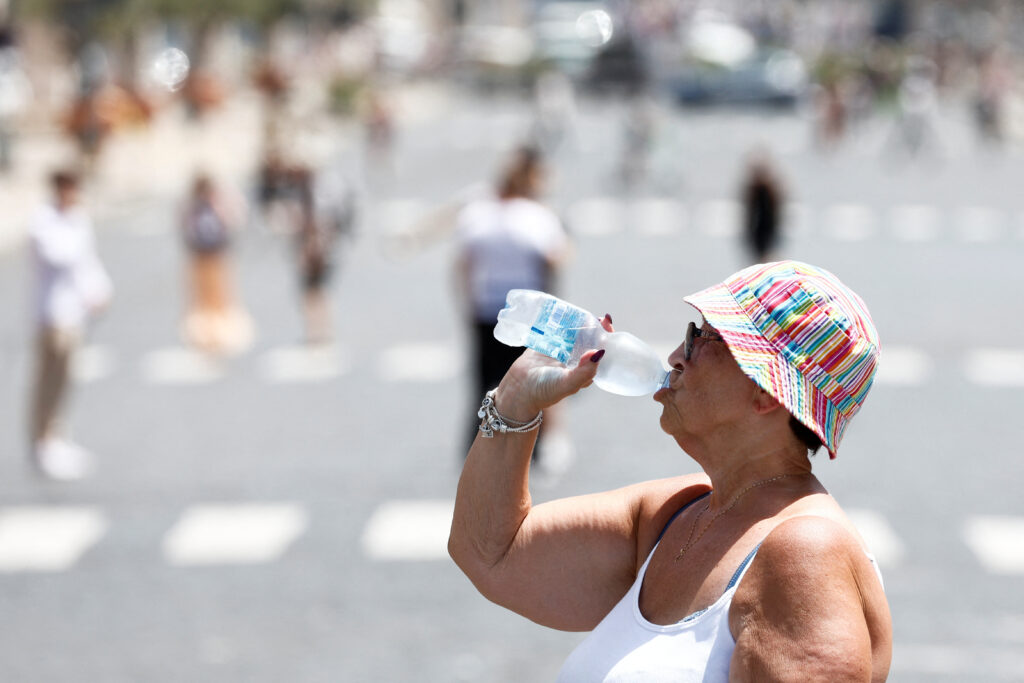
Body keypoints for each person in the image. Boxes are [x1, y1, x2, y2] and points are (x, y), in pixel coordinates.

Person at [449, 260, 892, 681]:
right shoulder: (678, 512)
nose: (678, 354)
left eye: (703, 338)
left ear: (768, 392)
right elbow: (489, 553)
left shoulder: (805, 553)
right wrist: (515, 401)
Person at [454, 145, 572, 471]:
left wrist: (467, 303)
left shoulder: (478, 214)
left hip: (485, 309)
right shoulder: (537, 217)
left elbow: (463, 264)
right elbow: (558, 256)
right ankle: (545, 445)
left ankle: (478, 448)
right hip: (530, 313)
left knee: (484, 383)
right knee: (540, 377)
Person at [27, 169, 113, 480]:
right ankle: (43, 441)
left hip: (74, 314)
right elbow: (63, 257)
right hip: (52, 314)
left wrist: (101, 291)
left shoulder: (77, 220)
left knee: (65, 381)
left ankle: (57, 437)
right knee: (47, 382)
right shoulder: (44, 221)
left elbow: (88, 263)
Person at [179, 173, 252, 355]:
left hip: (215, 254)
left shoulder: (213, 206)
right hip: (203, 255)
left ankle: (218, 335)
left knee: (218, 296)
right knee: (206, 298)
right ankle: (209, 336)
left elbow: (234, 219)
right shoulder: (194, 208)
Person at [740, 150, 784, 264]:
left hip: (766, 233)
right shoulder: (755, 191)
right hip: (759, 234)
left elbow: (773, 217)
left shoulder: (767, 191)